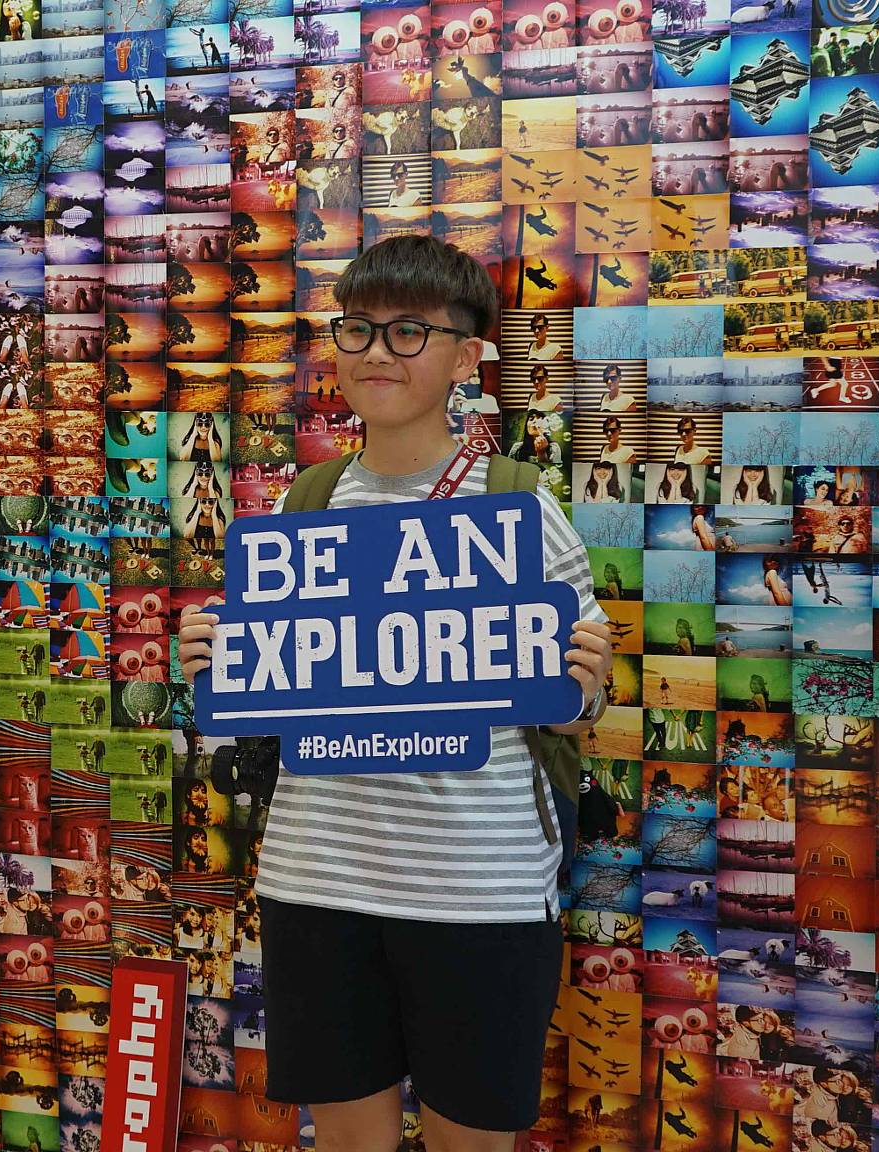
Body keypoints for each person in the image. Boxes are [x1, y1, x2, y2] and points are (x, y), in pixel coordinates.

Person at [178, 236, 612, 1152]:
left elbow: (576, 705)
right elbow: (275, 689)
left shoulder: (519, 506)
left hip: (478, 888)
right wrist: (216, 659)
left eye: (410, 331)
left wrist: (584, 686)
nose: (377, 351)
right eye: (358, 329)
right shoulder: (307, 503)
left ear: (466, 357)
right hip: (318, 879)